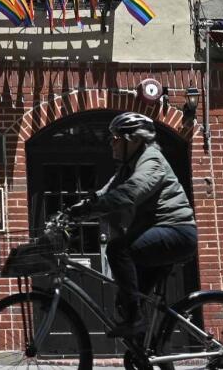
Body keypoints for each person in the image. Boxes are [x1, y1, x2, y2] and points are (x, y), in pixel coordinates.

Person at [64, 112, 197, 339]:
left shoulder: (152, 159)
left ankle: (135, 321)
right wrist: (74, 210)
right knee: (126, 301)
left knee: (118, 249)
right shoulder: (128, 166)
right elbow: (104, 193)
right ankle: (147, 347)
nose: (111, 143)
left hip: (177, 231)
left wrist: (89, 210)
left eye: (116, 138)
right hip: (157, 232)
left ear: (134, 139)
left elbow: (130, 192)